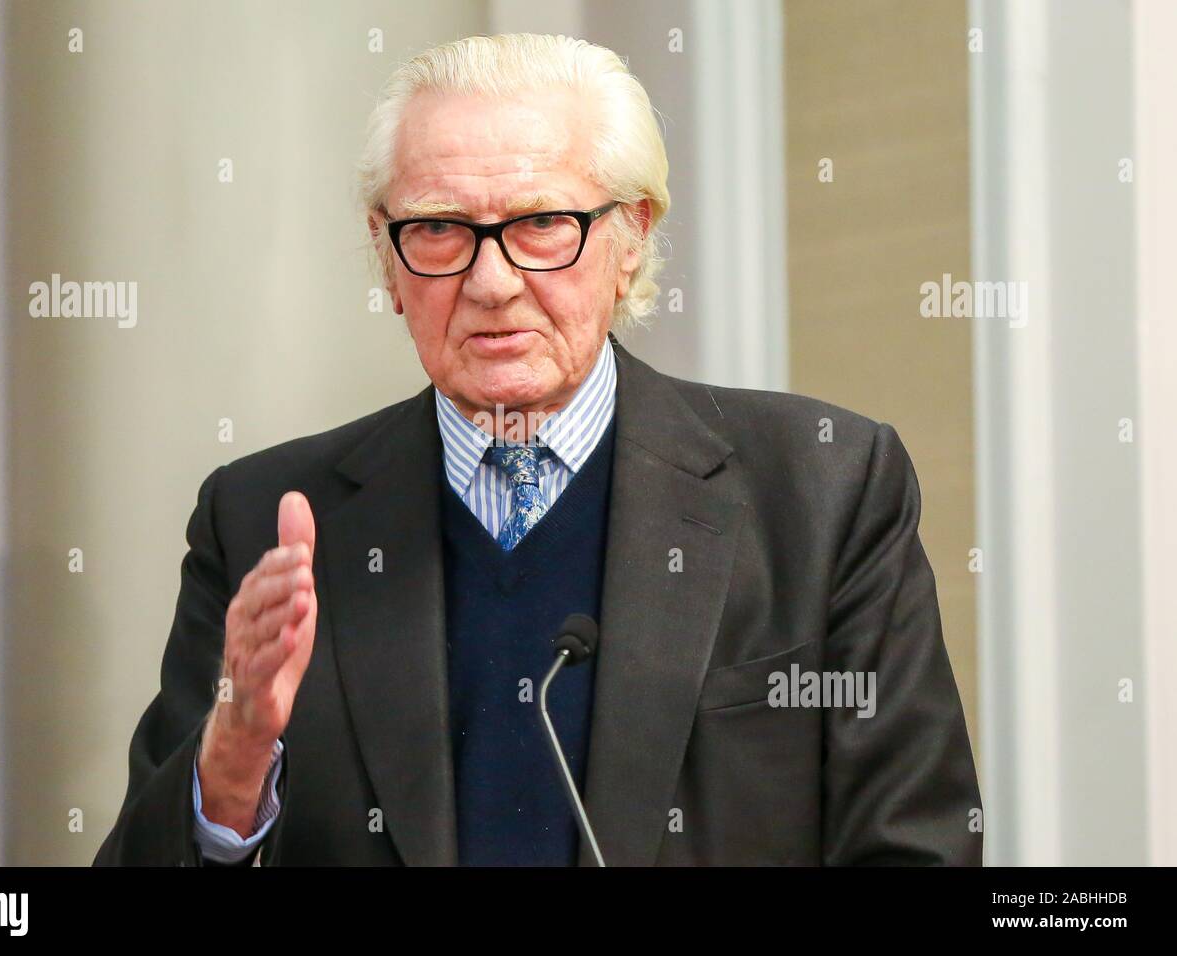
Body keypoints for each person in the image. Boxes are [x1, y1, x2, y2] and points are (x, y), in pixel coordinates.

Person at [95, 33, 981, 867]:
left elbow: (918, 848)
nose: (490, 282)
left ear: (629, 239)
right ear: (386, 256)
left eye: (541, 223)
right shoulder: (264, 520)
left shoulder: (824, 493)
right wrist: (236, 760)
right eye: (438, 229)